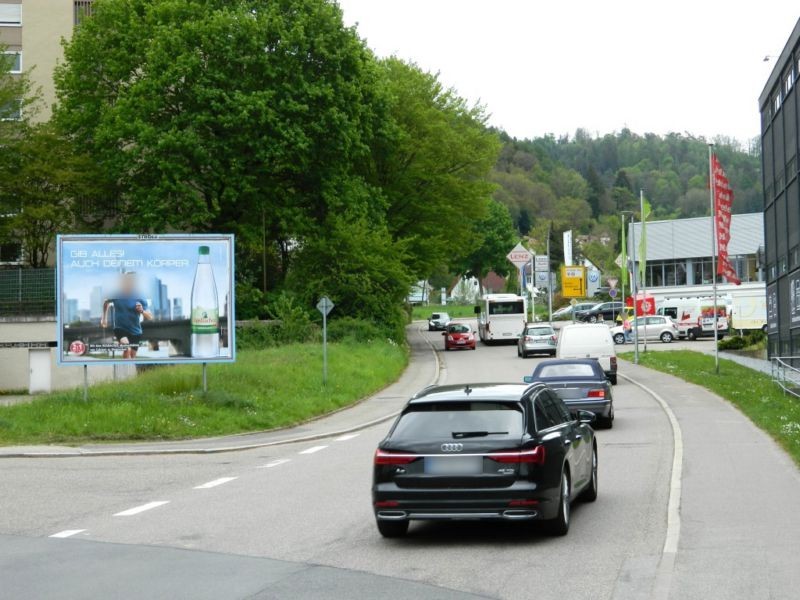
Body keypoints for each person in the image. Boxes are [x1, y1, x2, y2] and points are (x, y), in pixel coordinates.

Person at [100, 272, 153, 359]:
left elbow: (150, 316)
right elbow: (106, 303)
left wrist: (142, 311)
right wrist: (104, 318)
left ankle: (128, 370)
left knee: (132, 356)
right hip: (120, 328)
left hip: (136, 331)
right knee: (126, 348)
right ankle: (124, 370)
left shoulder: (140, 296)